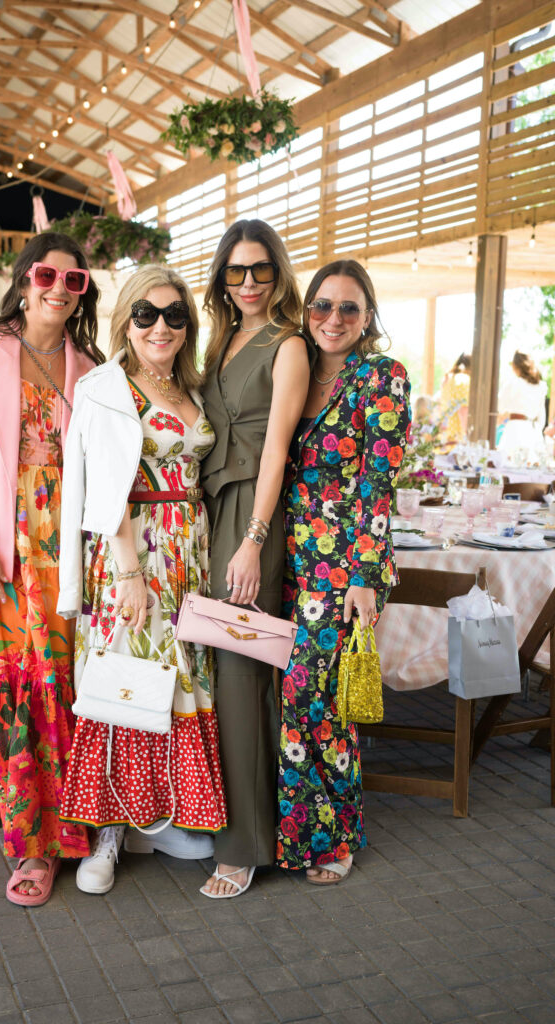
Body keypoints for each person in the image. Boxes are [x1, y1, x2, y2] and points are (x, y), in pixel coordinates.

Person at [0, 232, 102, 906]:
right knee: (8, 687)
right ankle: (29, 842)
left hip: (66, 551)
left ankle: (68, 830)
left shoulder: (89, 369)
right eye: (45, 274)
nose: (58, 289)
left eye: (74, 281)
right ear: (22, 278)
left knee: (59, 690)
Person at [56, 264, 227, 894]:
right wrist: (128, 570)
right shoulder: (107, 387)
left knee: (181, 682)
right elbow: (106, 485)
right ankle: (108, 832)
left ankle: (170, 815)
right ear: (125, 320)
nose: (161, 326)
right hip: (135, 554)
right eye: (147, 314)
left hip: (188, 554)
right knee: (124, 680)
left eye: (175, 314)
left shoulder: (192, 388)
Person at [278, 259, 411, 884]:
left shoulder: (381, 375)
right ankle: (300, 832)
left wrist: (363, 574)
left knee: (316, 699)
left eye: (348, 308)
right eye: (322, 306)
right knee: (296, 701)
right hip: (292, 561)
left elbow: (378, 483)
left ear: (368, 315)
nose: (333, 319)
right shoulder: (297, 370)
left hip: (344, 570)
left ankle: (332, 838)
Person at [198, 219, 311, 898]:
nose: (247, 283)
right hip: (209, 509)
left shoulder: (287, 343)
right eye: (235, 272)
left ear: (278, 272)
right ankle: (217, 819)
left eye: (260, 270)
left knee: (241, 671)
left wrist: (254, 537)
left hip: (249, 517)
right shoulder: (221, 338)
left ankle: (244, 847)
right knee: (216, 669)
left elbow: (276, 449)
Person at [497, 351, 547, 457]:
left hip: (515, 430)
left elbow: (500, 407)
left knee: (509, 466)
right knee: (531, 466)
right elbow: (541, 417)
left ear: (515, 366)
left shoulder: (513, 383)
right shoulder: (541, 386)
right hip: (533, 432)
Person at [437, 353, 470, 445]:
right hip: (456, 440)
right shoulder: (464, 380)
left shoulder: (448, 379)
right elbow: (463, 410)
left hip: (445, 437)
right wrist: (467, 437)